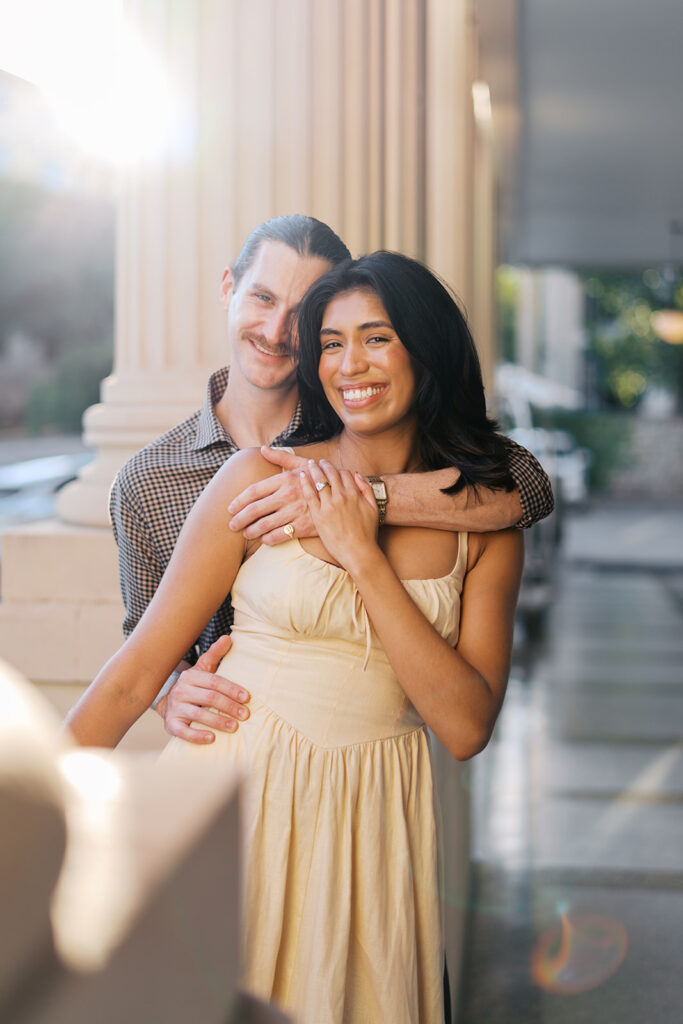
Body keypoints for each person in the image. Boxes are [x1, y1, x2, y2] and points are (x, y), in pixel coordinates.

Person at [67, 251, 524, 1023]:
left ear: (427, 348)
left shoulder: (486, 523)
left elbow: (464, 727)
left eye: (376, 338)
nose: (350, 365)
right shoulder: (258, 479)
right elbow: (135, 671)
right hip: (227, 804)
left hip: (374, 828)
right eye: (332, 343)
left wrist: (360, 546)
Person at [108, 215, 552, 746]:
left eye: (301, 315)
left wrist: (361, 497)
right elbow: (142, 651)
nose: (276, 331)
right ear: (229, 288)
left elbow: (526, 487)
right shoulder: (149, 480)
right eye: (263, 298)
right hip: (230, 746)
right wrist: (172, 690)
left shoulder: (360, 423)